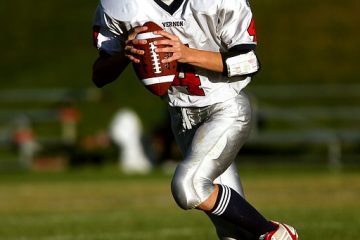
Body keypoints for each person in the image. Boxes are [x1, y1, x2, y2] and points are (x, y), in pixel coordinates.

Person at [91, 0, 299, 239]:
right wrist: (124, 56)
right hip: (182, 120)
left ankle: (273, 233)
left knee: (188, 187)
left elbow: (249, 62)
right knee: (233, 234)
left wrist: (185, 53)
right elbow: (99, 75)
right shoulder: (122, 5)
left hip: (224, 109)